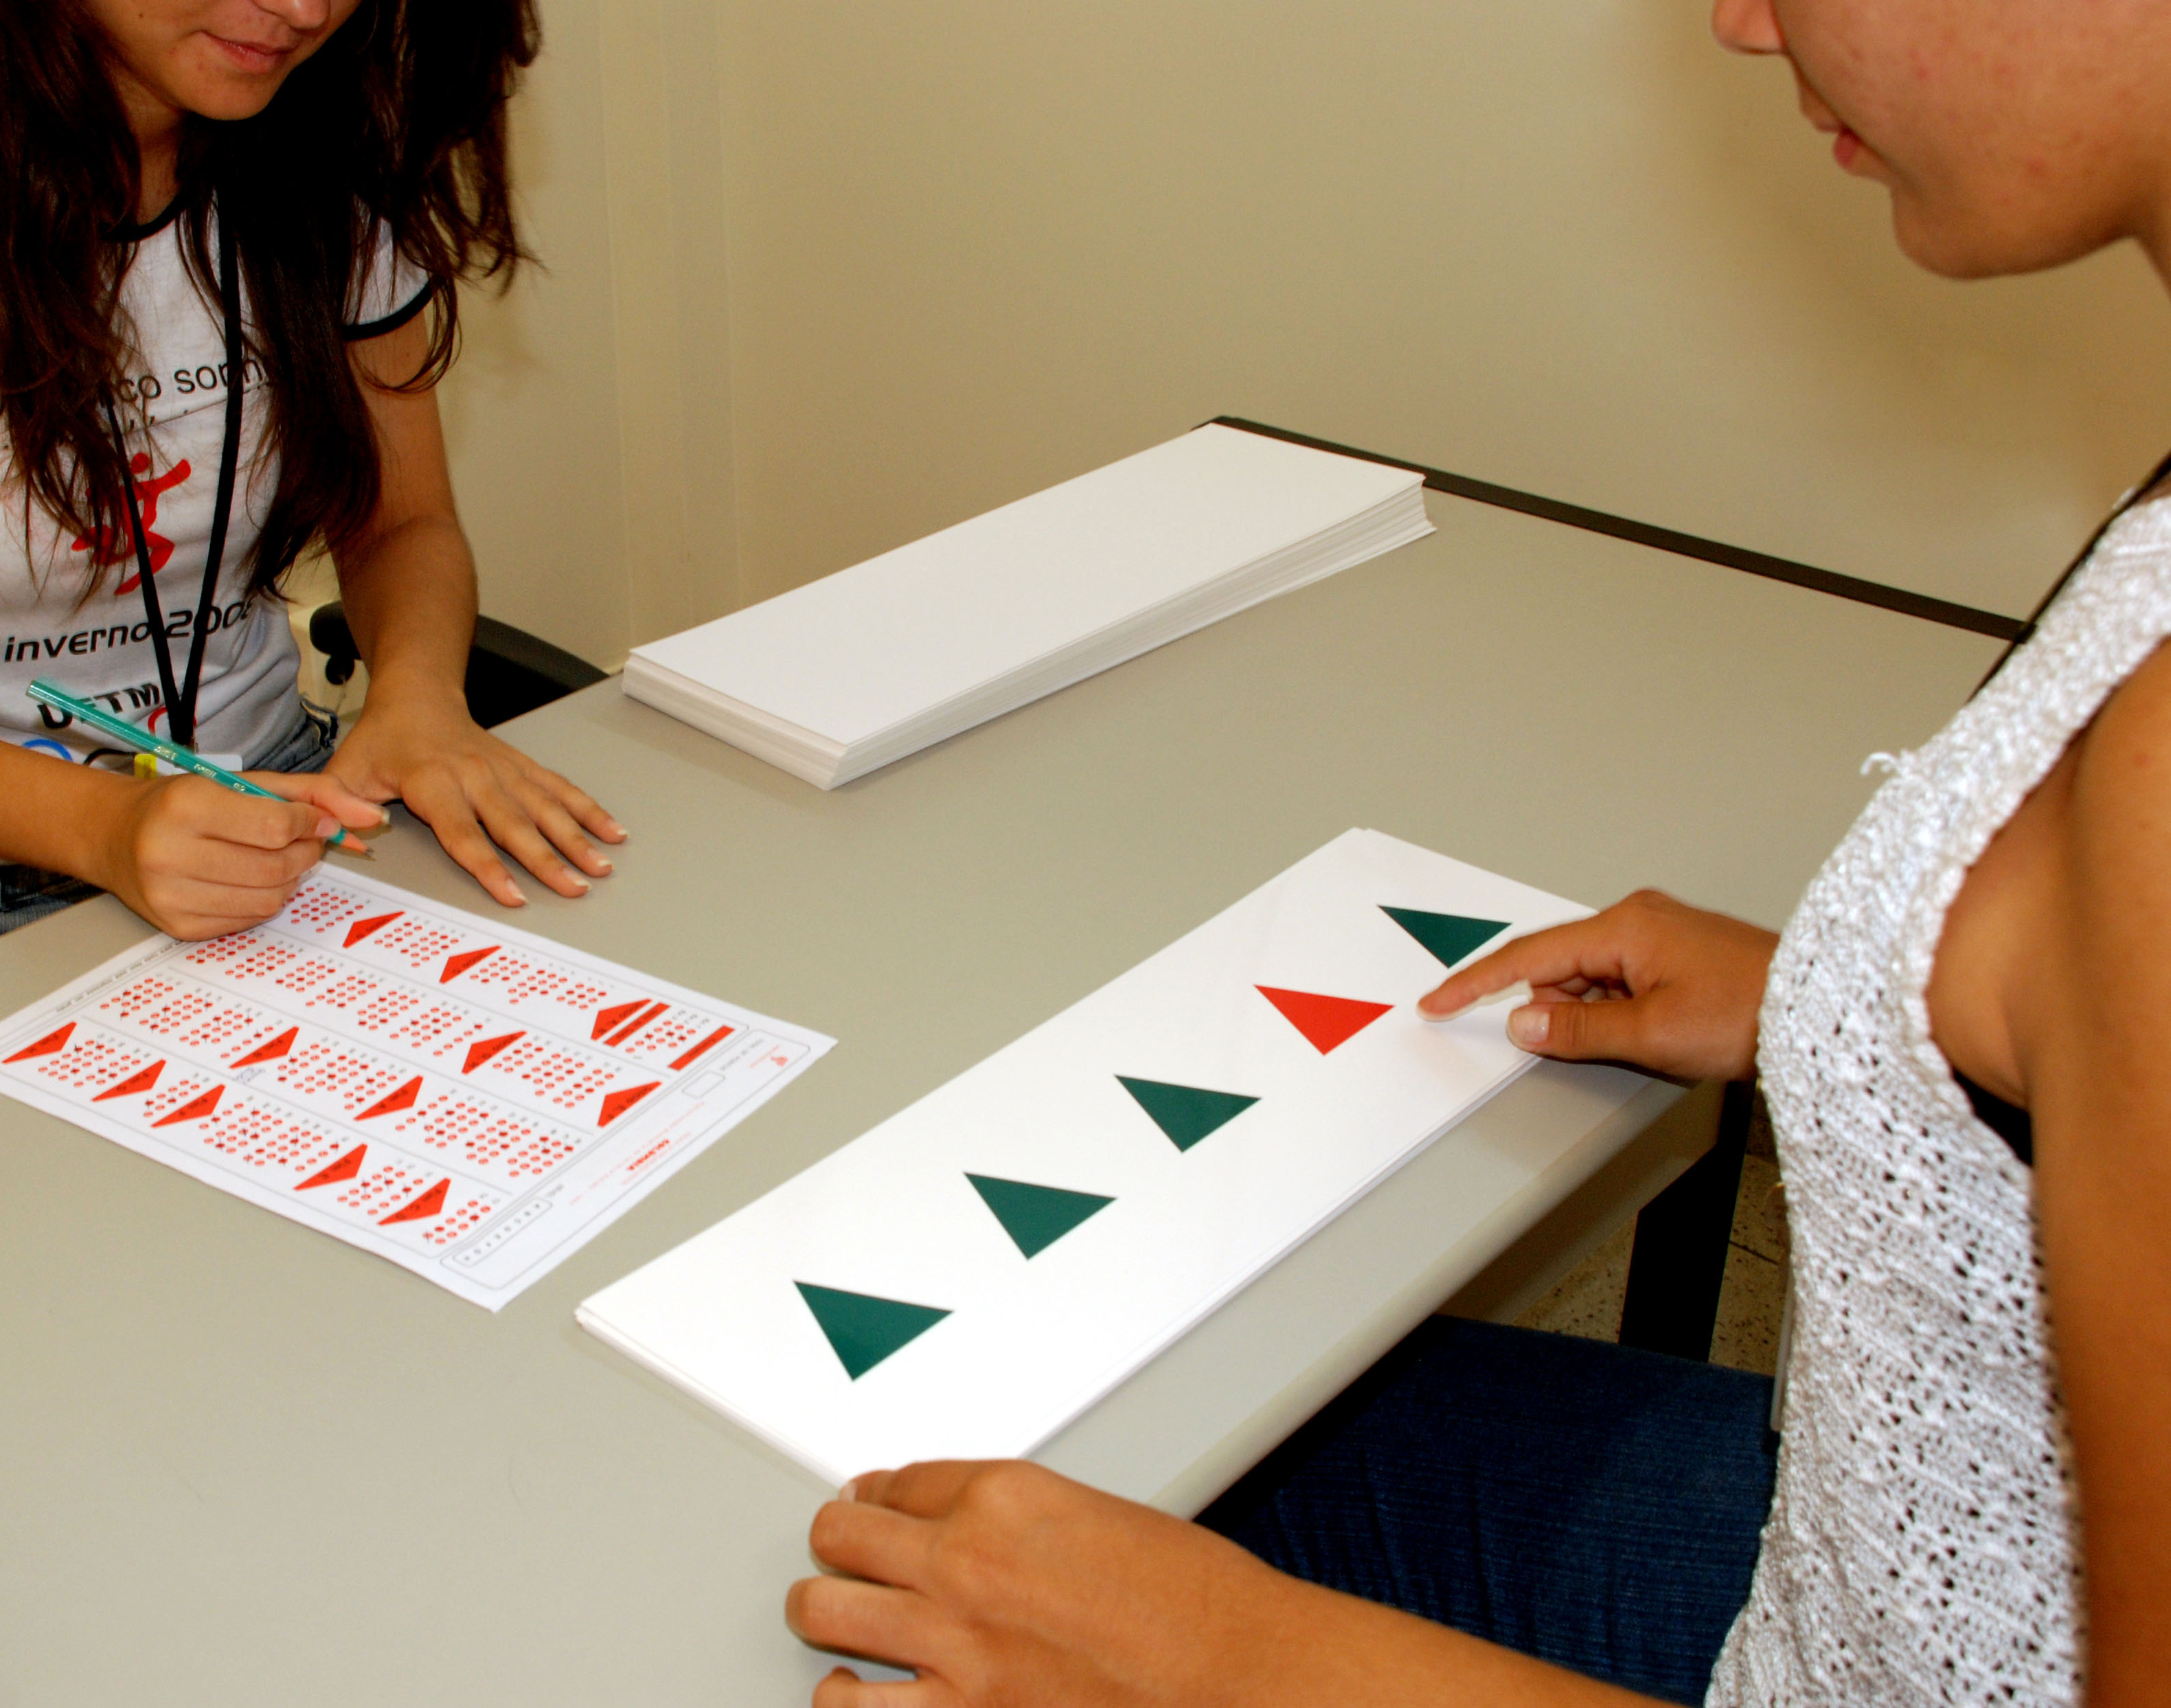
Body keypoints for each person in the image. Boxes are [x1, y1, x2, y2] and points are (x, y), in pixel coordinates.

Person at [783, 0, 2171, 1703]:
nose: (1742, 22)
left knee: (918, 1549)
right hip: (1886, 1559)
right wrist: (1870, 1005)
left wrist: (1233, 1666)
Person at [0, 0, 623, 1007]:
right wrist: (109, 826)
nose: (303, 10)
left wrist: (418, 700)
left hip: (278, 801)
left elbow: (401, 522)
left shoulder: (325, 106)